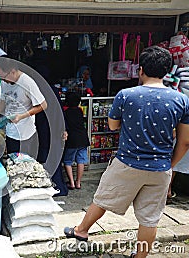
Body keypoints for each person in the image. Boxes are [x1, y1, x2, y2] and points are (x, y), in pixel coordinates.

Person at [64, 46, 189, 258]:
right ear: (167, 71)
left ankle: (81, 230)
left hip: (127, 163)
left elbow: (112, 126)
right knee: (150, 218)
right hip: (160, 168)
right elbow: (185, 142)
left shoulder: (126, 95)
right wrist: (169, 164)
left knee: (102, 198)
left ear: (140, 70)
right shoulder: (181, 100)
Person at [0, 56, 47, 157]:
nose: (2, 80)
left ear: (13, 71)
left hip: (26, 135)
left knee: (25, 167)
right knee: (12, 164)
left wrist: (22, 116)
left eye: (4, 77)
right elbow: (3, 103)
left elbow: (43, 105)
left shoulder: (27, 83)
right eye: (0, 77)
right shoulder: (4, 82)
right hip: (11, 132)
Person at [63, 92, 90, 190]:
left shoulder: (65, 112)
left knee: (67, 161)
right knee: (81, 161)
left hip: (72, 140)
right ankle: (78, 182)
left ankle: (71, 183)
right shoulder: (80, 111)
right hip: (83, 138)